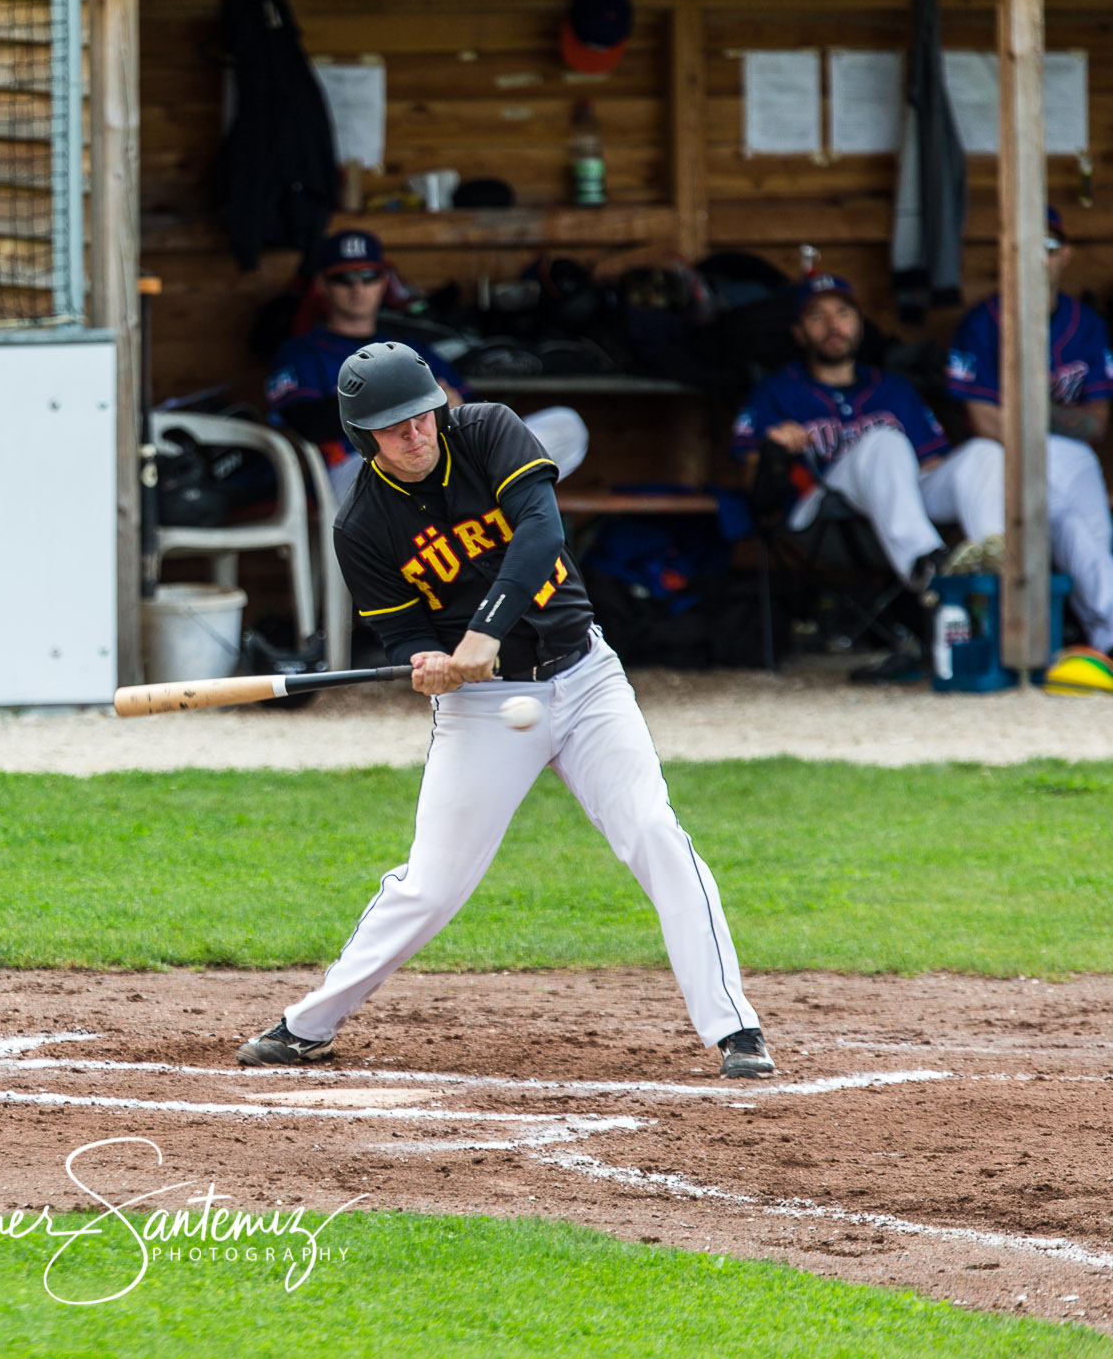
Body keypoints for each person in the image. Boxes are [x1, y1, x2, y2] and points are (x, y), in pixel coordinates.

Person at [236, 342, 772, 1079]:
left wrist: (482, 628)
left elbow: (543, 532)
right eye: (393, 428)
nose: (415, 434)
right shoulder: (361, 524)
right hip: (484, 709)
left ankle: (736, 1028)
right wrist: (430, 661)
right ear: (365, 439)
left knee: (653, 829)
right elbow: (404, 633)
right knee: (432, 882)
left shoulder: (487, 430)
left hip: (584, 677)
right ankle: (310, 1022)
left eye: (421, 416)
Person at [730, 273, 952, 680]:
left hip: (890, 514)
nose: (834, 325)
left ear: (860, 324)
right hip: (819, 513)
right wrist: (775, 450)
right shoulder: (776, 392)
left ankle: (981, 583)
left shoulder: (894, 389)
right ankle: (930, 572)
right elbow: (753, 482)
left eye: (844, 313)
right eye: (818, 316)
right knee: (883, 441)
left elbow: (933, 466)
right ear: (799, 333)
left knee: (977, 457)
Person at [266, 229, 589, 505]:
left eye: (369, 276)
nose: (358, 288)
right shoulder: (302, 351)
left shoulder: (410, 348)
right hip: (359, 471)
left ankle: (472, 496)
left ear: (384, 281)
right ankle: (478, 497)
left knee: (565, 424)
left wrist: (454, 410)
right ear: (322, 285)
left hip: (437, 458)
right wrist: (398, 403)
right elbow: (305, 423)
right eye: (344, 278)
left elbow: (473, 409)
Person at [925, 206, 1113, 655]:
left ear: (1064, 255)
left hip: (1064, 451)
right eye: (1025, 248)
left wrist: (1034, 410)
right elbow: (983, 420)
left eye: (1047, 247)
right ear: (1008, 257)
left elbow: (1096, 424)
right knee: (1046, 504)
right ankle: (1009, 639)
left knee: (1084, 518)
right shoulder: (981, 322)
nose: (1037, 258)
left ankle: (1106, 634)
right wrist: (1051, 421)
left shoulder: (1086, 325)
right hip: (996, 452)